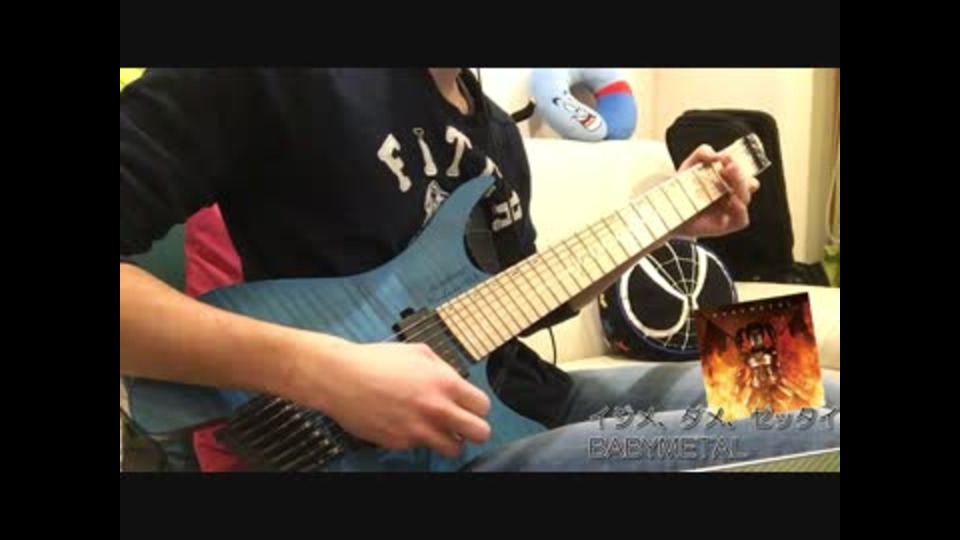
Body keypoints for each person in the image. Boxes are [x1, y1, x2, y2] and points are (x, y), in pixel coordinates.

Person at [120, 68, 839, 472]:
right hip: (399, 448)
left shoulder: (495, 130)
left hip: (523, 395)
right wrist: (325, 372)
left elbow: (526, 296)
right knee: (816, 426)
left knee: (807, 375)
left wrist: (662, 226)